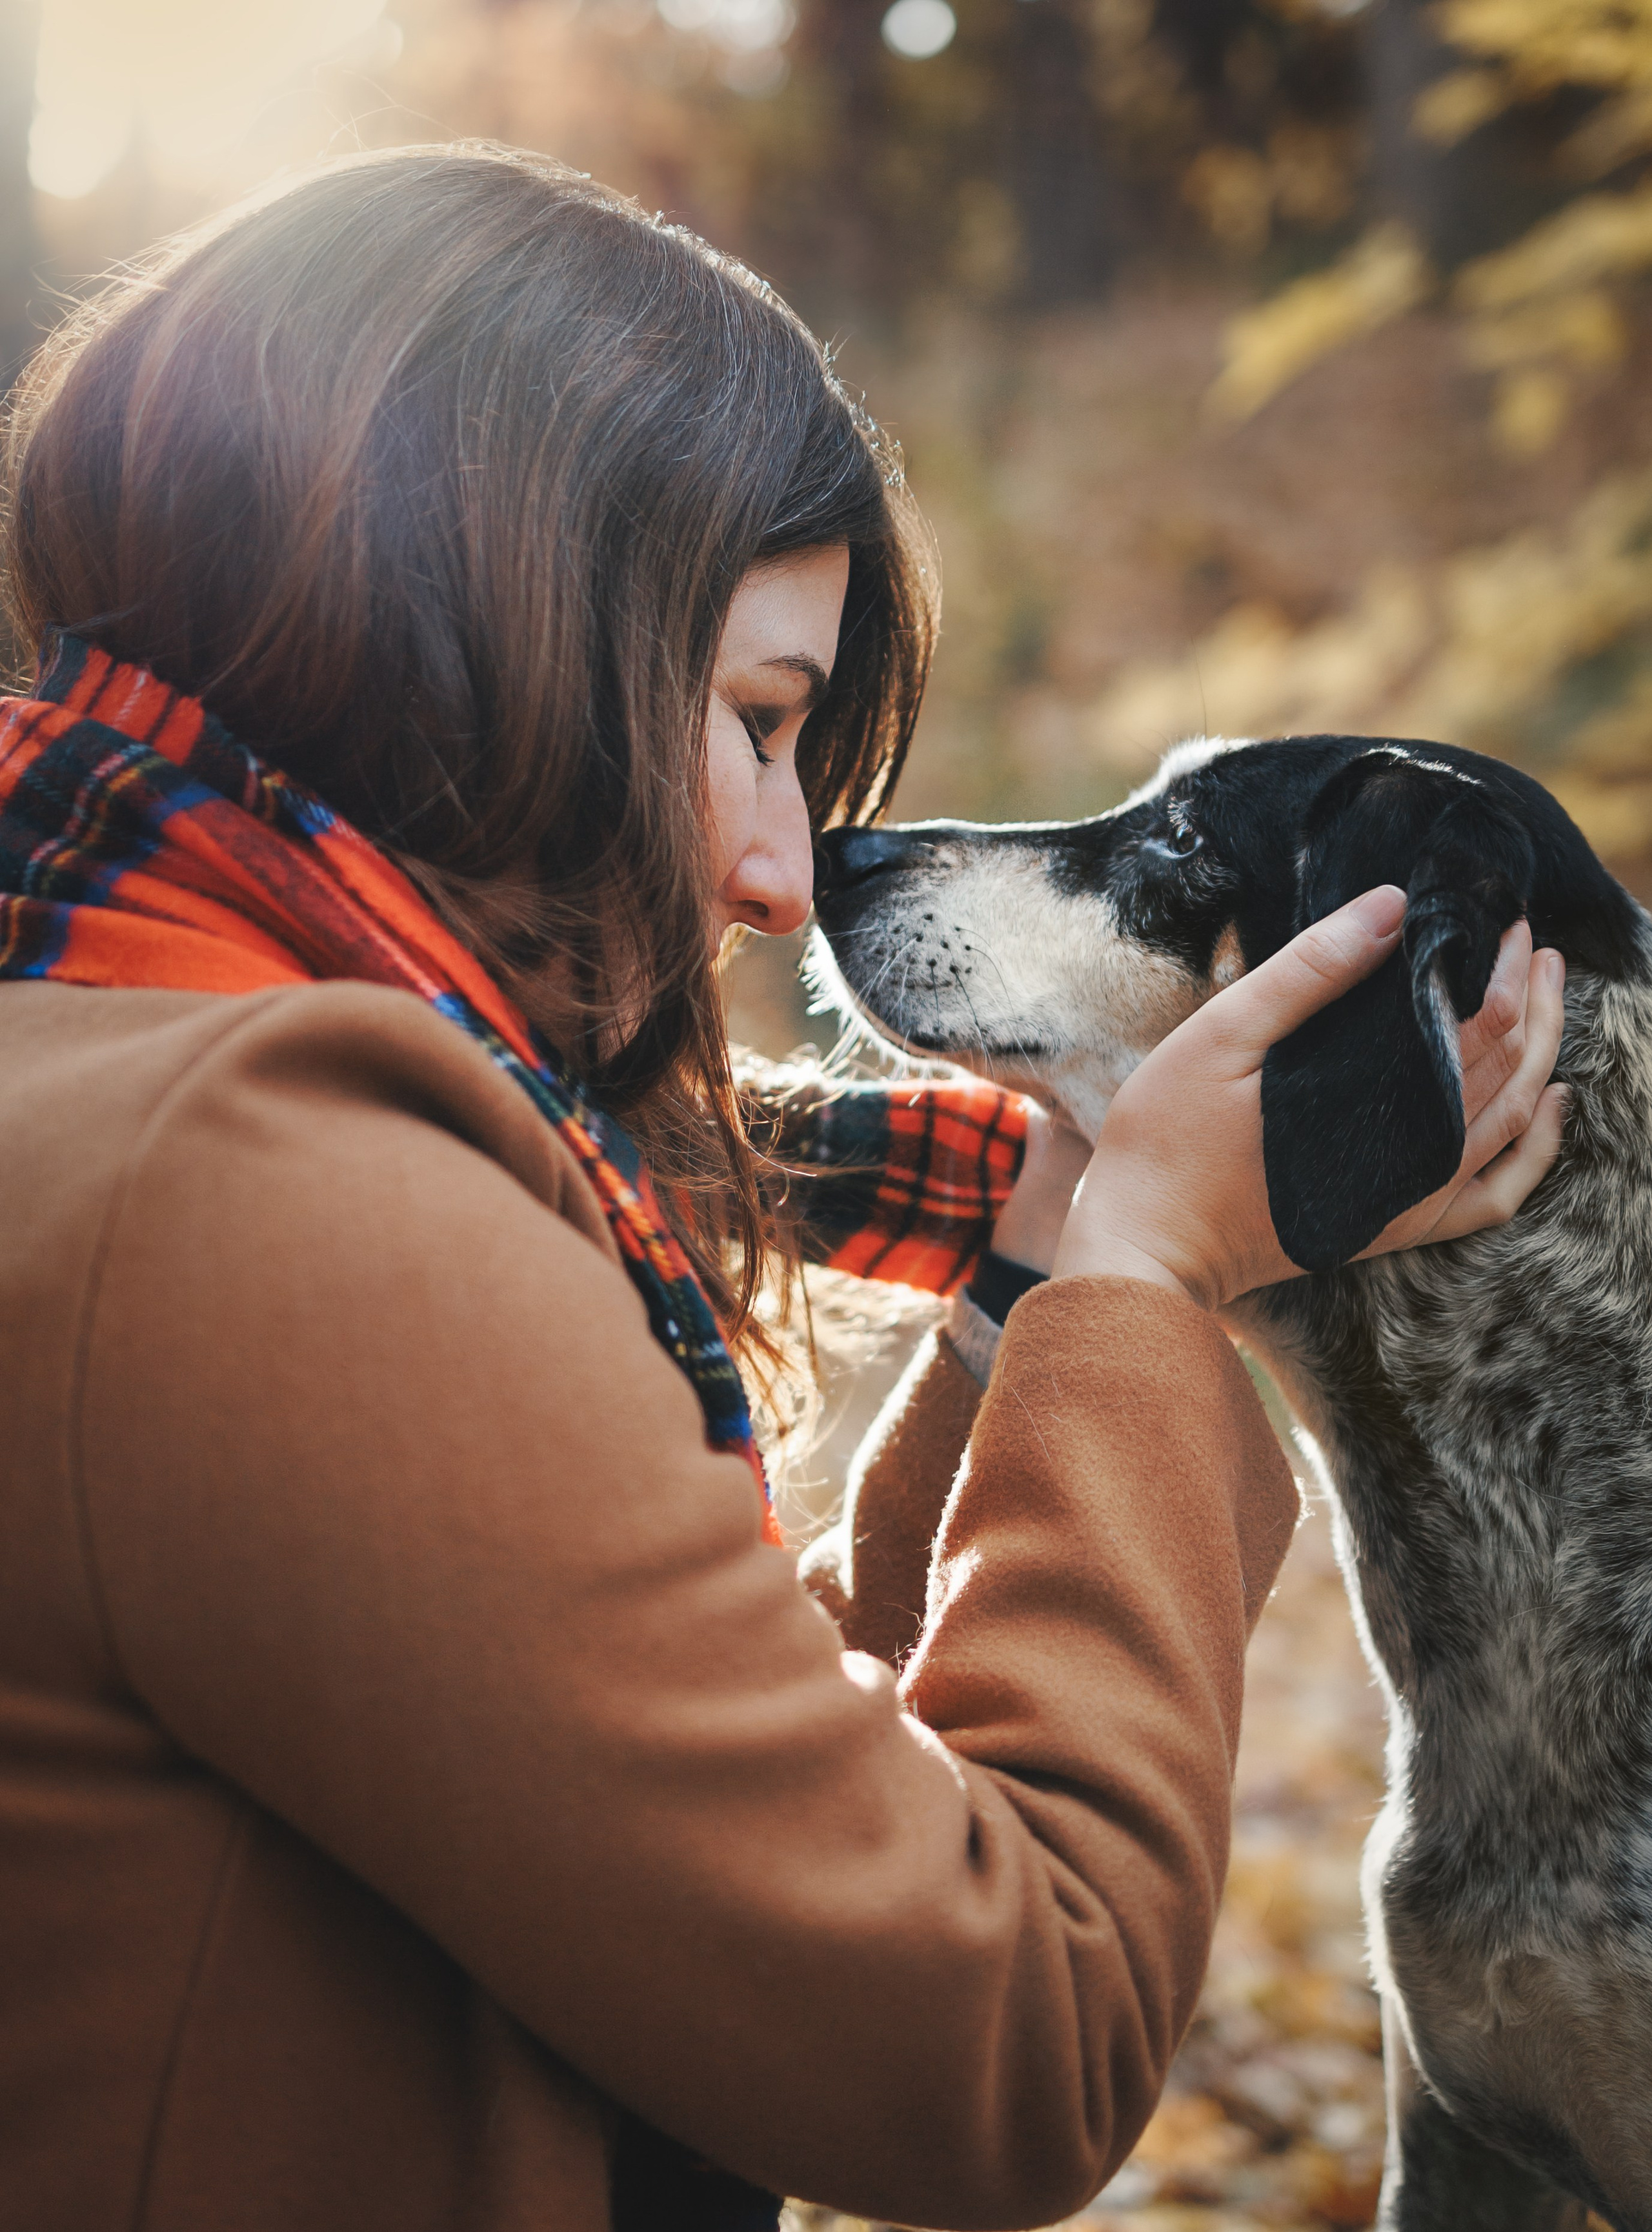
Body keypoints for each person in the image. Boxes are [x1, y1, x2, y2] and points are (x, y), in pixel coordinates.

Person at [0, 145, 1565, 2232]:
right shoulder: (269, 1192)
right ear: (455, 633)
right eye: (754, 721)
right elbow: (998, 2037)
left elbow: (681, 1820)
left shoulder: (114, 1062)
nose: (773, 869)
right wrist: (1150, 1275)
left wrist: (1024, 1293)